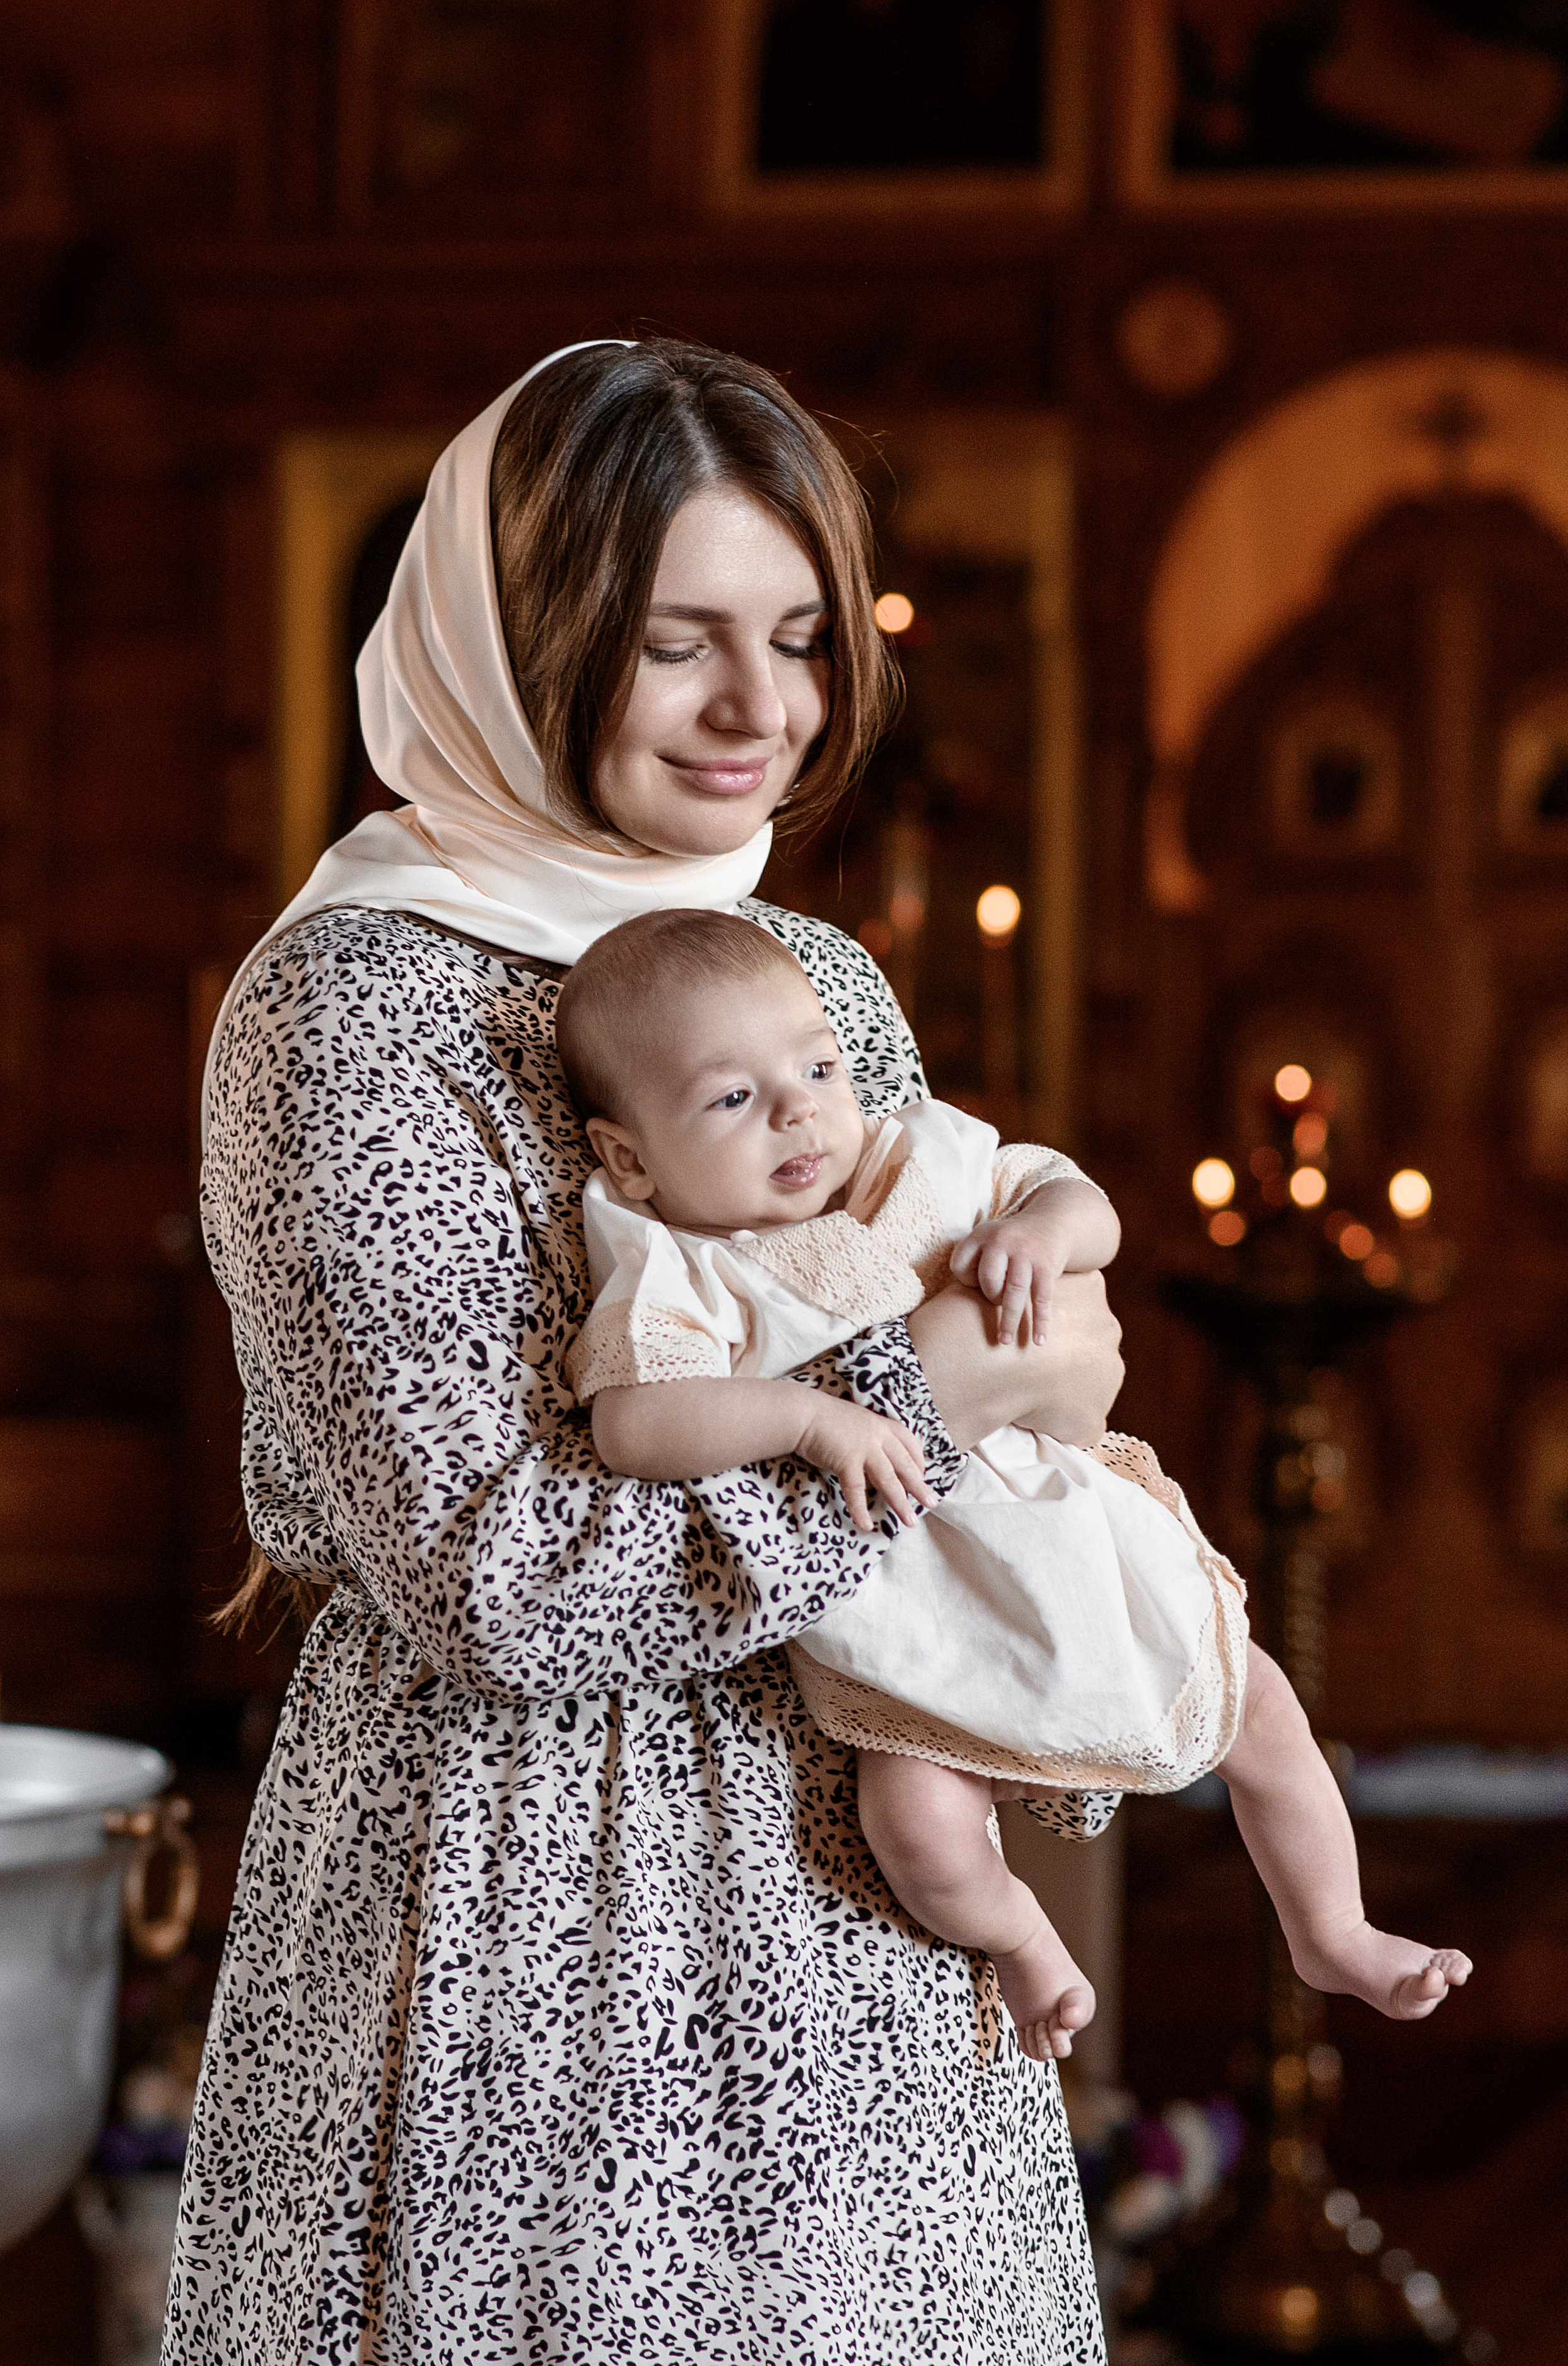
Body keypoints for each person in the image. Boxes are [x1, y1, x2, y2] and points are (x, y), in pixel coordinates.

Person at [164, 337, 1129, 2366]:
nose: (762, 710)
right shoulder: (351, 1016)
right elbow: (499, 1580)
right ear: (521, 640)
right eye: (680, 641)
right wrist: (936, 1401)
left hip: (864, 1878)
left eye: (796, 635)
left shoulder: (819, 981)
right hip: (525, 1912)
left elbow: (1046, 1367)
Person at [551, 909, 1475, 2068]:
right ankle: (1023, 1936)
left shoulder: (913, 1159)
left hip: (1063, 1528)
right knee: (918, 1824)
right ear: (631, 1158)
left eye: (818, 1068)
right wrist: (804, 1414)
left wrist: (1040, 1236)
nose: (796, 1110)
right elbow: (637, 1422)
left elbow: (1085, 1202)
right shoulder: (677, 1264)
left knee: (1264, 1712)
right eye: (730, 1099)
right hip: (901, 1604)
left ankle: (1331, 1927)